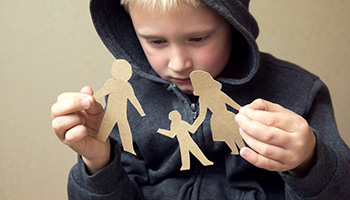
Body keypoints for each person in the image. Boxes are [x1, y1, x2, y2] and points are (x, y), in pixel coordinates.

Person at [50, 0, 350, 199]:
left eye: (198, 39)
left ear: (234, 25)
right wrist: (98, 162)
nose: (179, 63)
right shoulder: (125, 104)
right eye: (156, 41)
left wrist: (309, 162)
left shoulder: (299, 91)